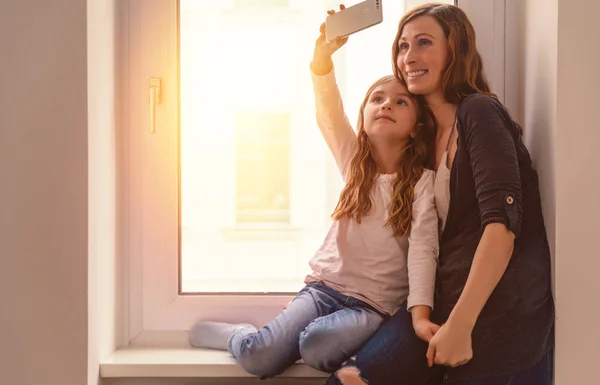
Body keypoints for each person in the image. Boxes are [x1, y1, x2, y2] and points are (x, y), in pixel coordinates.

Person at [188, 9, 440, 380]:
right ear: (363, 116)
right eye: (377, 99)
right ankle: (236, 336)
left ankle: (300, 339)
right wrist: (323, 60)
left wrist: (419, 314)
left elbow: (423, 252)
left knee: (317, 345)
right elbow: (328, 113)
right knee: (260, 357)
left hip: (372, 308)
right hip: (323, 291)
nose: (386, 104)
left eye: (400, 101)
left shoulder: (423, 182)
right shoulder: (356, 164)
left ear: (417, 125)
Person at [326, 3, 555, 385]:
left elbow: (502, 229)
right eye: (401, 46)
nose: (408, 57)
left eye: (423, 43)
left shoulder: (480, 113)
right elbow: (342, 135)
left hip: (500, 321)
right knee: (347, 379)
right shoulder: (422, 136)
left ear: (455, 49)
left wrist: (461, 325)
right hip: (439, 310)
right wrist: (322, 64)